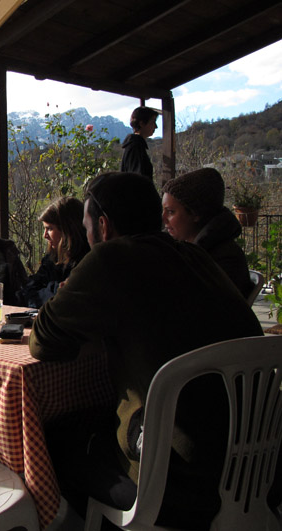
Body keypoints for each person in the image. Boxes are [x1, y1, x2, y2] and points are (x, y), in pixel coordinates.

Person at [29, 172, 265, 528]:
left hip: (179, 481)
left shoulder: (109, 260)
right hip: (254, 461)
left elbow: (42, 342)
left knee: (51, 437)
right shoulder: (195, 255)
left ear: (103, 226)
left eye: (86, 224)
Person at [162, 167, 253, 299]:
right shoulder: (190, 251)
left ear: (195, 214)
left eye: (171, 212)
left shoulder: (224, 259)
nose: (163, 218)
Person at [15, 197, 89, 308]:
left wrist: (48, 291)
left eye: (49, 229)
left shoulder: (86, 260)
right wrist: (54, 289)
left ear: (67, 229)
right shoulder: (52, 259)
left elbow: (67, 300)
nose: (44, 235)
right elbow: (27, 291)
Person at [120, 106, 159, 179]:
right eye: (153, 122)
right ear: (142, 123)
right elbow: (137, 181)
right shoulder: (135, 147)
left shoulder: (136, 145)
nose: (156, 126)